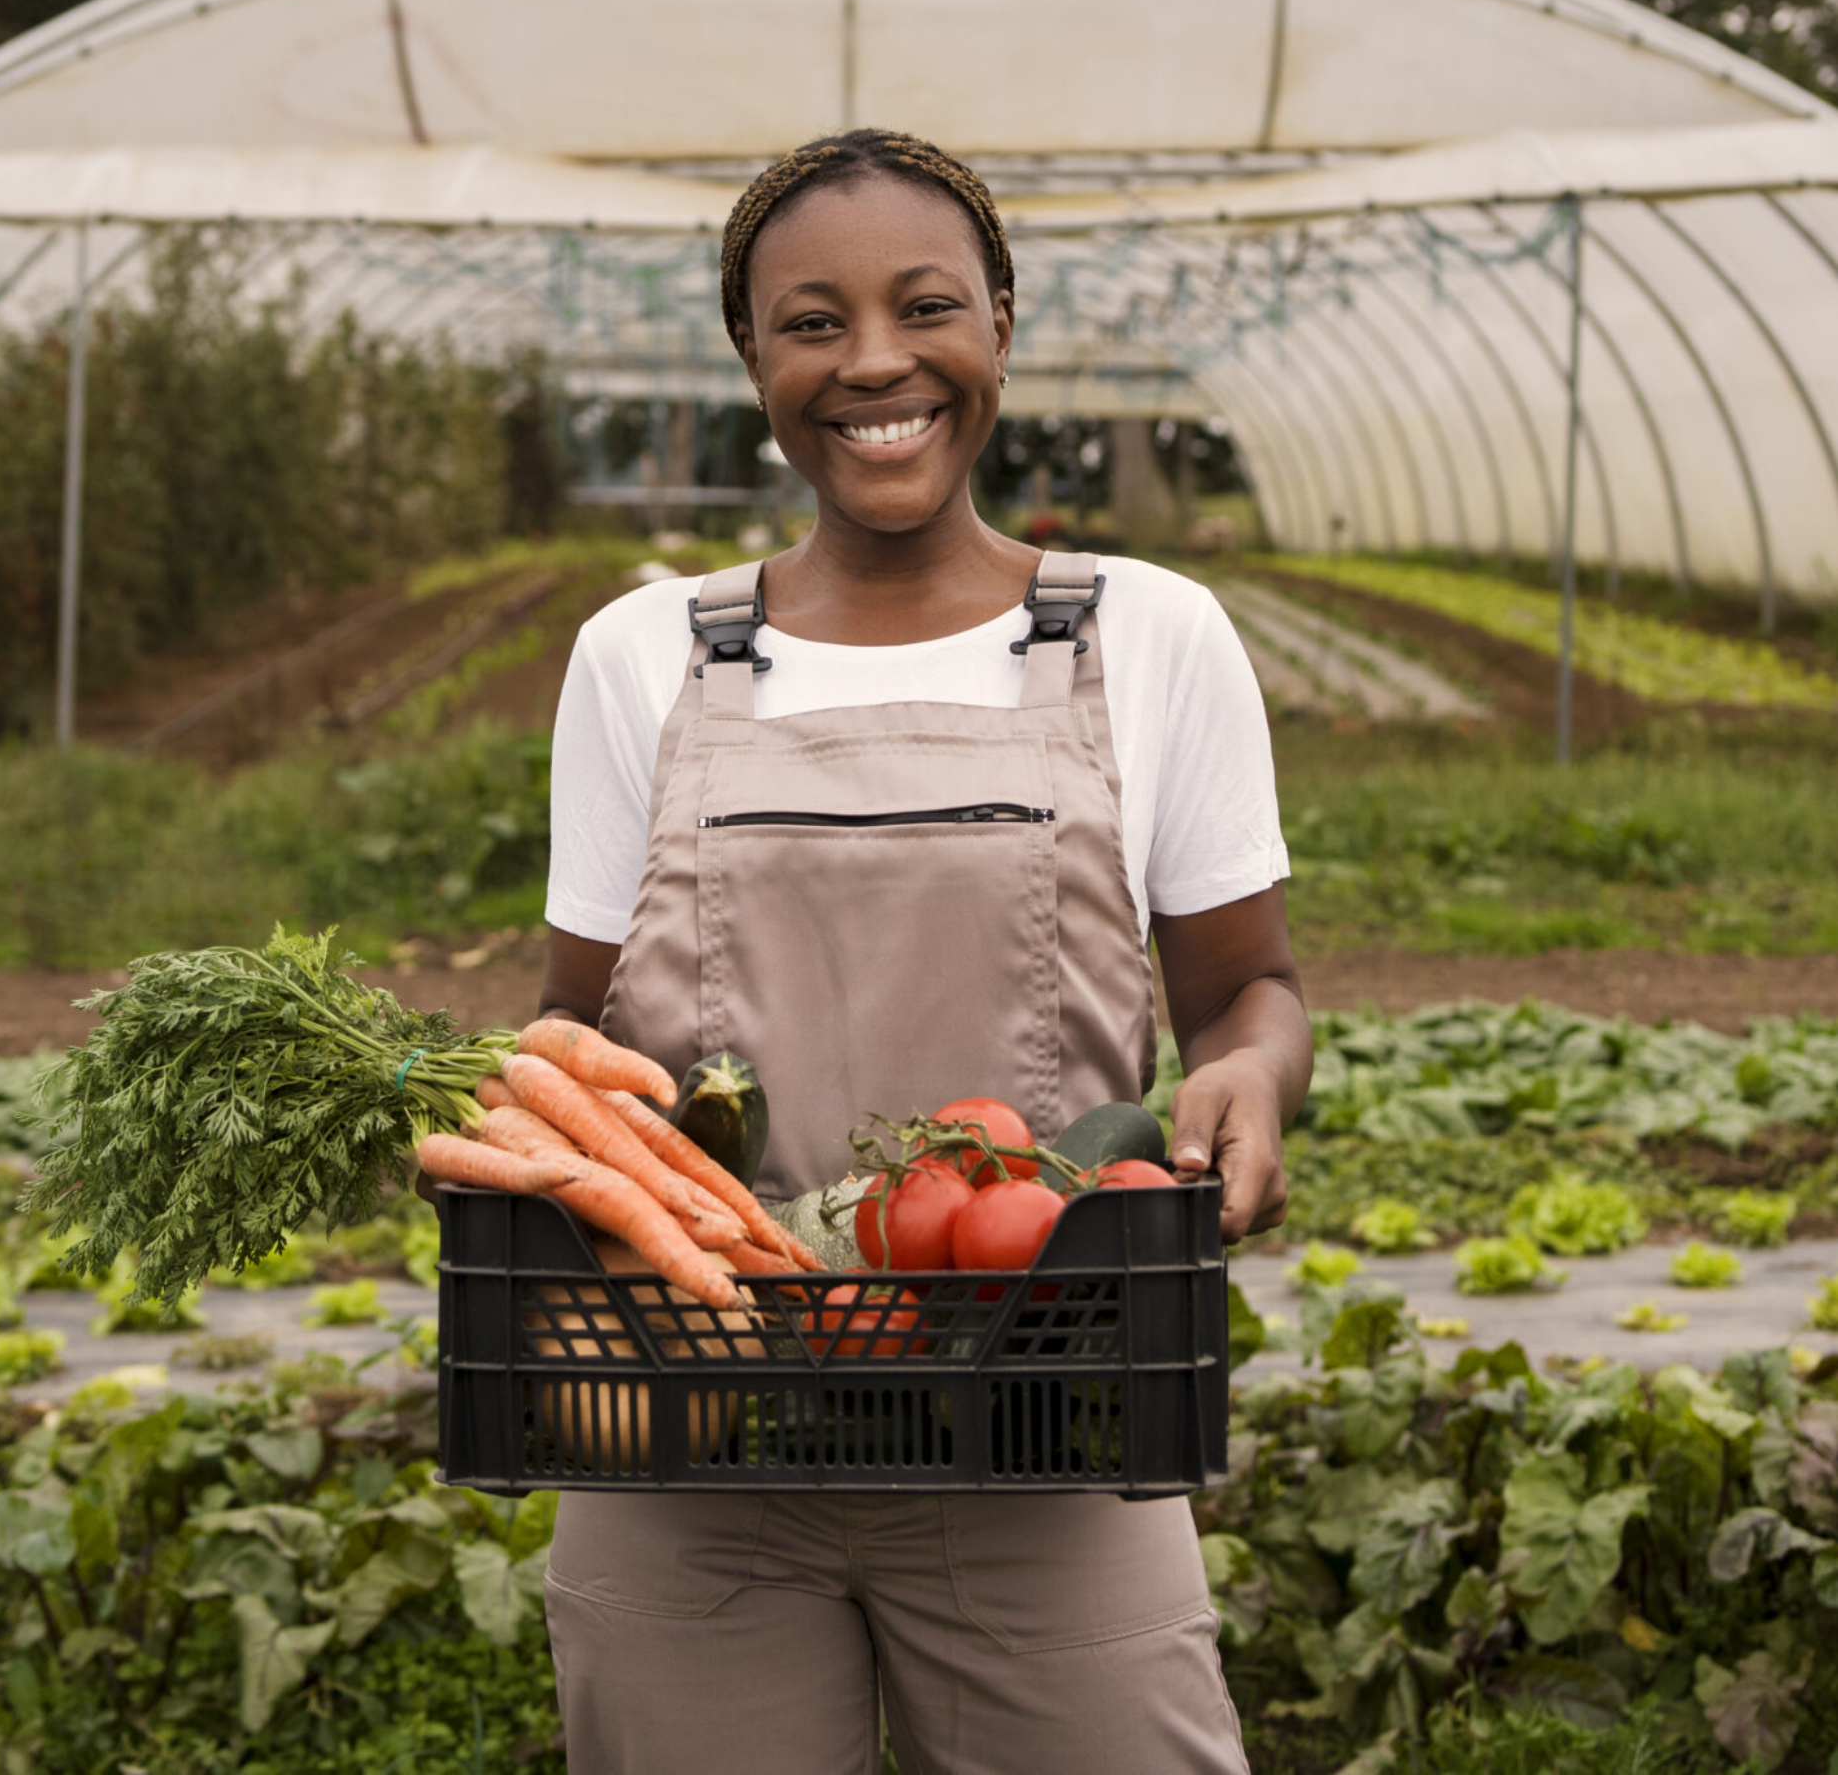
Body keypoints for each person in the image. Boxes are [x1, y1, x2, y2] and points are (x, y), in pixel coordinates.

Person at [535, 129, 1312, 1775]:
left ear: (1001, 327)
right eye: (809, 321)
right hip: (692, 1430)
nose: (873, 361)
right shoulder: (640, 656)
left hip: (1043, 1421)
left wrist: (1245, 1071)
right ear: (751, 361)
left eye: (924, 307)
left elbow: (1246, 988)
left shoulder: (1151, 634)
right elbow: (571, 1032)